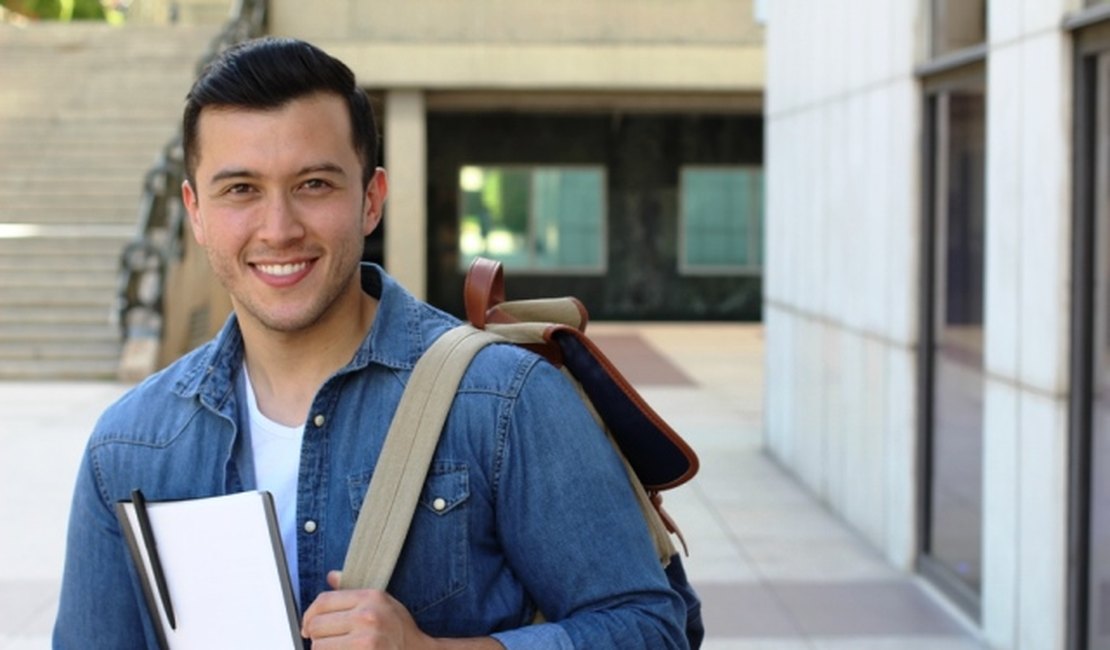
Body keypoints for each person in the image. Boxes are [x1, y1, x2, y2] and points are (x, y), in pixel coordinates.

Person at [53, 36, 689, 649]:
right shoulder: (128, 445)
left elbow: (652, 629)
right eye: (241, 189)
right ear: (195, 211)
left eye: (315, 185)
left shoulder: (503, 400)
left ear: (371, 200)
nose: (278, 229)